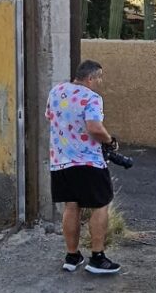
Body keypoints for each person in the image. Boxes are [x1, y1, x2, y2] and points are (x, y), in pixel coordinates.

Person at [45, 59, 120, 275]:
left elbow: (51, 118)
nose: (100, 82)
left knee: (71, 205)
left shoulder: (56, 92)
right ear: (90, 78)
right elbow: (94, 127)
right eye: (99, 78)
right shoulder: (92, 97)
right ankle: (97, 258)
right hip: (88, 162)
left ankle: (72, 256)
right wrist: (109, 141)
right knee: (101, 204)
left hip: (60, 161)